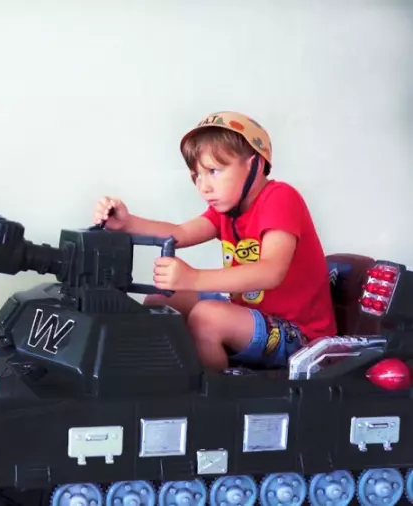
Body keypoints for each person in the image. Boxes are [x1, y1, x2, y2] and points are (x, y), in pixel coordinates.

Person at [93, 111, 336, 371]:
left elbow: (270, 272)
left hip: (301, 337)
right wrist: (127, 223)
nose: (204, 186)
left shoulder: (280, 198)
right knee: (160, 300)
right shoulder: (226, 212)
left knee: (207, 318)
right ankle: (172, 373)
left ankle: (215, 390)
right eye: (197, 176)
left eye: (214, 171)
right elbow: (180, 232)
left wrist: (193, 278)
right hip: (252, 316)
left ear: (254, 165)